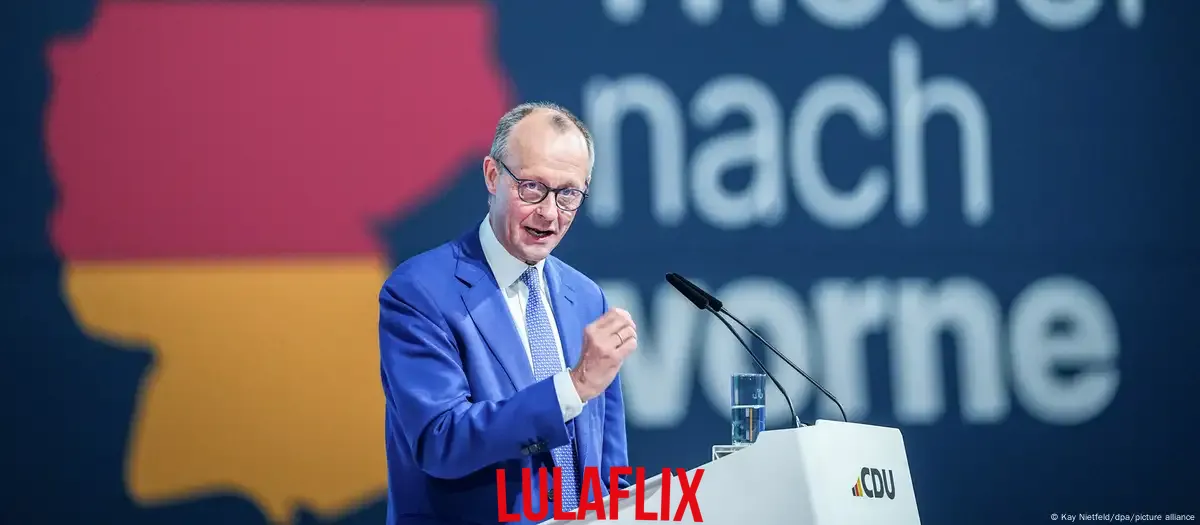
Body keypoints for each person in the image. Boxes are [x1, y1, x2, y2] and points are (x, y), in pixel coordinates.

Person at [378, 102, 637, 525]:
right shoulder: (419, 291)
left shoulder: (588, 298)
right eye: (532, 187)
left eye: (568, 194)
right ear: (492, 176)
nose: (549, 213)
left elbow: (609, 472)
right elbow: (441, 441)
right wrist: (571, 388)